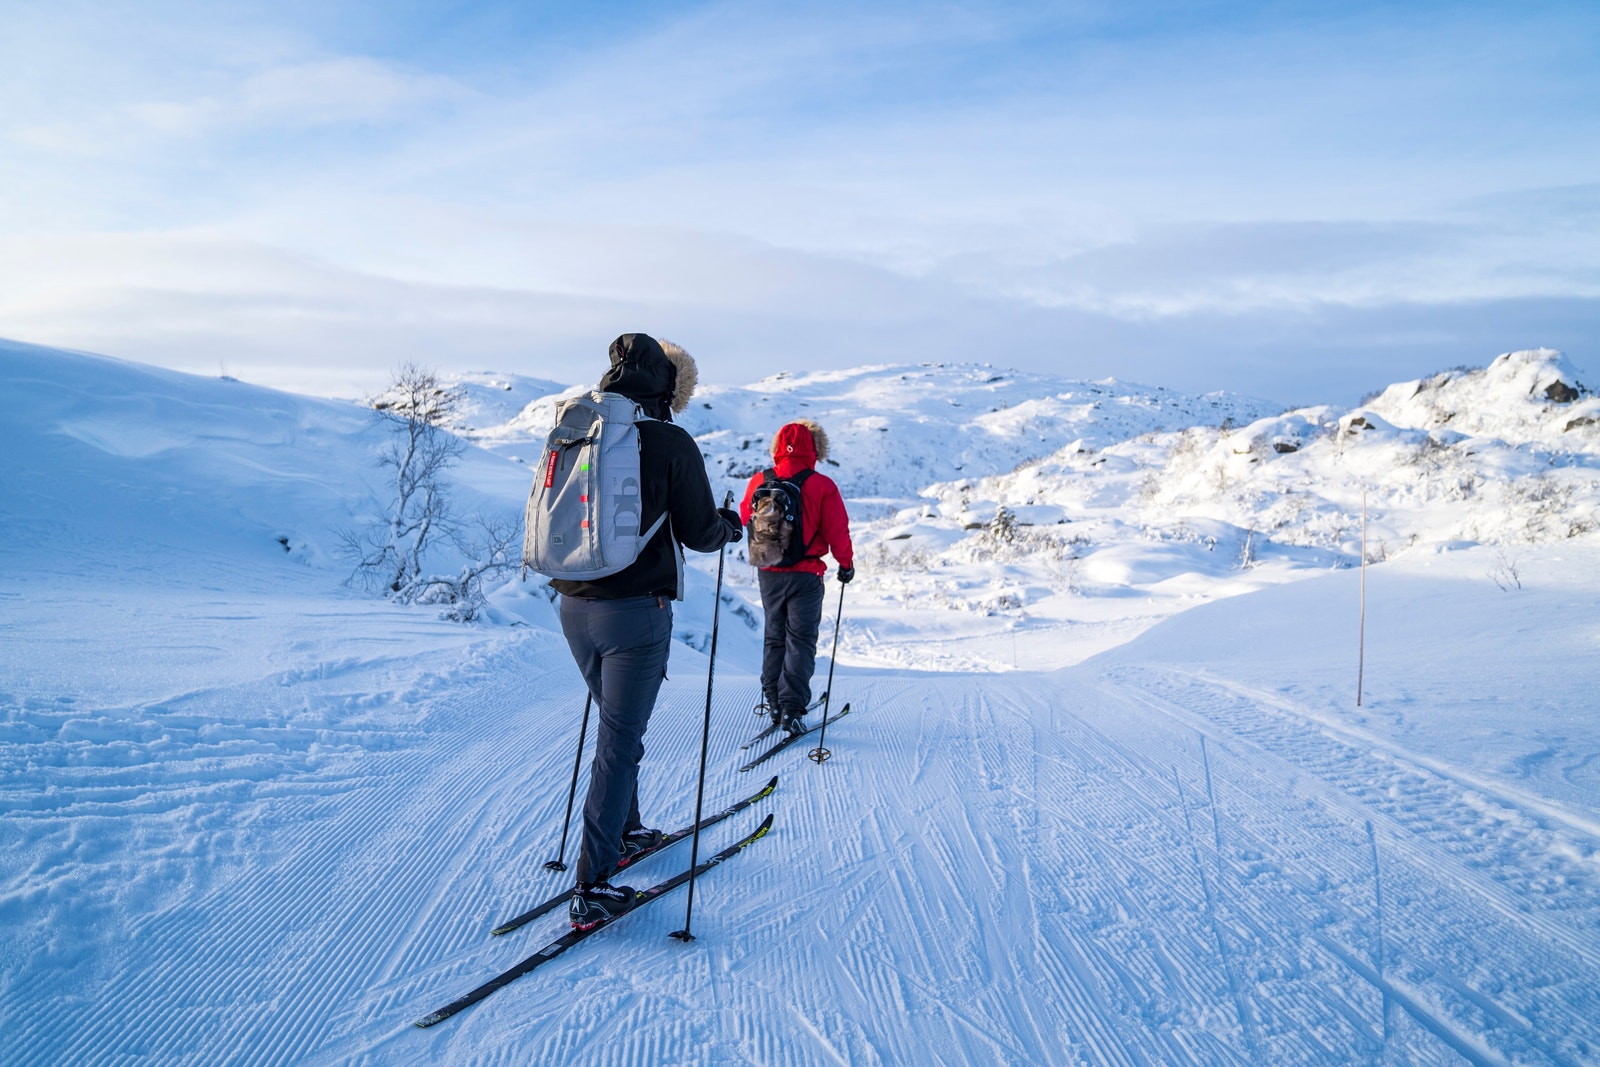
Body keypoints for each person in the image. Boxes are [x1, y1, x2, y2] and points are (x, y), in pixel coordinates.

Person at [551, 333, 742, 930]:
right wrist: (730, 527)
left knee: (616, 728)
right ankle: (593, 883)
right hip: (635, 611)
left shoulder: (580, 428)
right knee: (618, 740)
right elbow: (699, 532)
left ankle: (626, 834)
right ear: (670, 389)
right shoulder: (666, 440)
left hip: (572, 605)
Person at [739, 419, 854, 737]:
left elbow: (745, 515)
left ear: (777, 447)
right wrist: (846, 564)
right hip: (806, 575)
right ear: (814, 448)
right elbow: (837, 531)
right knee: (800, 641)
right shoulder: (822, 485)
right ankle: (792, 707)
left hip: (769, 573)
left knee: (774, 638)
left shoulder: (760, 480)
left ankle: (774, 702)